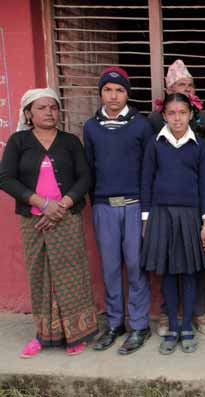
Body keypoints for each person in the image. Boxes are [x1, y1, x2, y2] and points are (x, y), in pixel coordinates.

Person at [0, 88, 98, 358]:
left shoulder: (70, 142)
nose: (49, 113)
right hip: (33, 220)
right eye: (42, 108)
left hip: (66, 218)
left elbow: (85, 177)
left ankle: (76, 334)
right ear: (29, 113)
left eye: (53, 107)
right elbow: (6, 178)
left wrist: (63, 204)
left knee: (70, 275)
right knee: (40, 274)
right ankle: (44, 336)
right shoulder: (19, 142)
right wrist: (42, 204)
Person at [83, 67, 153, 355]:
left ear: (127, 94)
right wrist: (95, 202)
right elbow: (89, 166)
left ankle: (139, 324)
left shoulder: (140, 125)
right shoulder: (91, 126)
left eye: (119, 90)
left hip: (135, 205)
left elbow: (149, 168)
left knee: (136, 266)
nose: (113, 96)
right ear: (100, 93)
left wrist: (147, 208)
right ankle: (115, 323)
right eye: (108, 90)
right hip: (104, 206)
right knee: (110, 267)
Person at [140, 93, 205, 354]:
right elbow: (146, 182)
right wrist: (146, 219)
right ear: (164, 116)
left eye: (183, 112)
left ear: (191, 114)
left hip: (191, 215)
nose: (178, 118)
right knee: (169, 273)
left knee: (190, 271)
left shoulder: (200, 146)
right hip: (161, 214)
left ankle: (186, 328)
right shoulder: (155, 144)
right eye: (172, 113)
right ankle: (171, 325)